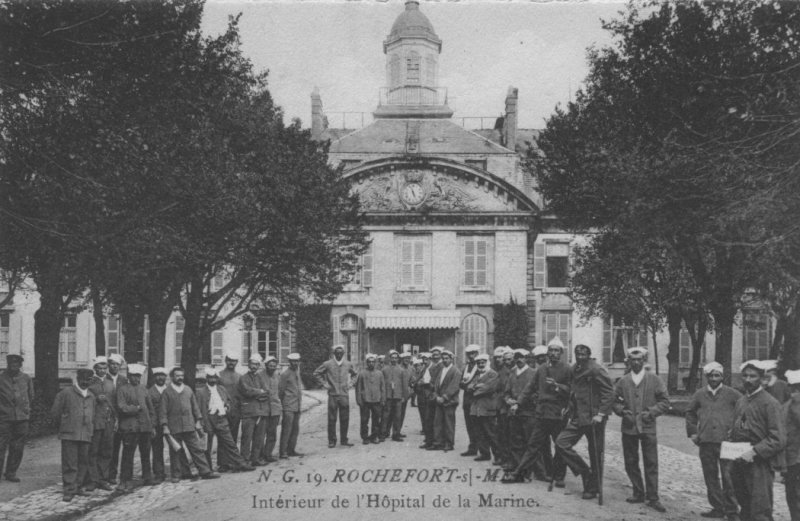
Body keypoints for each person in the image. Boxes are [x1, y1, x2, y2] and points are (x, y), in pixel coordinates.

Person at [502, 338, 572, 485]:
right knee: (533, 445)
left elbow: (572, 391)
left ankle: (559, 477)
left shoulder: (567, 369)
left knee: (560, 446)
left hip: (558, 415)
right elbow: (529, 388)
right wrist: (518, 404)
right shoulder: (541, 369)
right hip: (541, 414)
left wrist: (559, 387)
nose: (553, 353)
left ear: (561, 353)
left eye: (556, 350)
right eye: (551, 350)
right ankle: (518, 473)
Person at [612, 347, 670, 512]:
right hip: (629, 427)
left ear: (644, 361)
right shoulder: (623, 381)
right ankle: (638, 491)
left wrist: (651, 412)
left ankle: (653, 497)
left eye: (639, 359)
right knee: (630, 461)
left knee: (651, 462)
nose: (636, 362)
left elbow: (665, 401)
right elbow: (614, 401)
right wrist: (623, 411)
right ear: (628, 362)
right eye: (633, 360)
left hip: (648, 427)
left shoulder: (655, 380)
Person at [729, 360, 785, 521]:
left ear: (761, 378)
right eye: (745, 376)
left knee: (760, 509)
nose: (747, 379)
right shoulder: (741, 401)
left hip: (759, 464)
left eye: (752, 376)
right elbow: (738, 426)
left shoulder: (770, 403)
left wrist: (755, 451)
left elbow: (778, 438)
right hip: (739, 461)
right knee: (744, 506)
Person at [555, 344, 614, 500]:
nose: (580, 356)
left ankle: (593, 487)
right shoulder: (575, 369)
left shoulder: (596, 369)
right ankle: (584, 471)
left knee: (595, 454)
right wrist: (568, 406)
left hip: (595, 419)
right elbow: (574, 391)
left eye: (583, 354)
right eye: (577, 354)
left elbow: (609, 392)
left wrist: (601, 413)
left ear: (589, 354)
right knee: (561, 443)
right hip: (578, 417)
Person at [685, 361, 742, 520]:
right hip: (706, 442)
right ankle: (717, 507)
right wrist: (693, 433)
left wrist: (738, 432)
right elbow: (690, 413)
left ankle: (732, 511)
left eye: (717, 375)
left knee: (729, 477)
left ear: (722, 377)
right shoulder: (699, 394)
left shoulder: (733, 394)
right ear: (706, 377)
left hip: (728, 443)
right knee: (710, 476)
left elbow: (745, 411)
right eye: (711, 375)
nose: (714, 378)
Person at [159, 367, 220, 481]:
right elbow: (163, 411)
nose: (180, 378)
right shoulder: (167, 392)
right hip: (174, 426)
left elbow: (195, 407)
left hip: (189, 425)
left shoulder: (188, 390)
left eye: (181, 375)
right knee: (176, 451)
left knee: (196, 449)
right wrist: (165, 426)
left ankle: (205, 471)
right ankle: (178, 474)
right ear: (172, 377)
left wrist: (198, 420)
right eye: (177, 376)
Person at [195, 367, 253, 473]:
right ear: (207, 378)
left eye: (215, 378)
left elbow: (228, 401)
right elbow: (198, 408)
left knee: (230, 442)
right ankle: (207, 468)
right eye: (210, 378)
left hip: (221, 419)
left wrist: (226, 407)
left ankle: (240, 463)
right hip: (208, 420)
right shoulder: (201, 392)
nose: (212, 380)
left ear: (217, 378)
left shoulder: (221, 389)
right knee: (208, 445)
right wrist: (200, 422)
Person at [52, 369, 95, 502]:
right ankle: (69, 489)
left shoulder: (91, 395)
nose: (85, 382)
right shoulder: (66, 393)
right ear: (77, 378)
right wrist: (63, 426)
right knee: (70, 463)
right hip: (69, 433)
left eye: (88, 380)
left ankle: (78, 486)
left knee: (83, 462)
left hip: (85, 433)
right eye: (83, 379)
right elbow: (55, 413)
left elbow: (92, 414)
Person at [115, 363, 155, 492]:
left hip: (145, 427)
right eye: (133, 376)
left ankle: (147, 477)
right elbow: (121, 407)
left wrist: (152, 425)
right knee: (128, 455)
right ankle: (125, 480)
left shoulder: (144, 389)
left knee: (145, 453)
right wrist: (135, 408)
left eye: (138, 376)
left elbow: (150, 409)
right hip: (130, 427)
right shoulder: (122, 389)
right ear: (128, 376)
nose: (136, 379)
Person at [504, 348, 541, 477]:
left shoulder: (533, 373)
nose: (519, 359)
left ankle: (530, 469)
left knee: (529, 441)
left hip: (528, 412)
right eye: (517, 357)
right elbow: (507, 391)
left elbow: (535, 393)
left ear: (526, 358)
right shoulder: (512, 372)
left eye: (521, 357)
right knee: (515, 440)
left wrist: (520, 403)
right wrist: (508, 400)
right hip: (514, 412)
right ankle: (517, 467)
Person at [313, 344, 356, 448]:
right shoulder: (328, 364)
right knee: (332, 418)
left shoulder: (348, 364)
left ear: (344, 353)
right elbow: (316, 373)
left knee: (345, 418)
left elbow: (355, 374)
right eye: (337, 353)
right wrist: (324, 384)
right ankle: (332, 440)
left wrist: (350, 384)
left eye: (341, 353)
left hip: (344, 395)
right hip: (332, 395)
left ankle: (344, 440)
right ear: (334, 353)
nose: (339, 354)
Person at [0, 353, 33, 482]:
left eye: (16, 364)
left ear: (20, 365)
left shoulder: (26, 378)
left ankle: (11, 473)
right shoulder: (1, 379)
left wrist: (25, 411)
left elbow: (31, 396)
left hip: (21, 419)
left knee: (17, 447)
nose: (14, 366)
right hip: (3, 418)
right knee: (0, 446)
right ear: (7, 365)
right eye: (11, 364)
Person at [87, 356, 115, 491]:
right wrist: (96, 399)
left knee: (106, 450)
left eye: (105, 368)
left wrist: (116, 419)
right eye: (100, 368)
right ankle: (93, 480)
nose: (102, 370)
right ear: (95, 369)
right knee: (93, 451)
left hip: (109, 421)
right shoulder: (90, 382)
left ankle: (103, 479)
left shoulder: (110, 383)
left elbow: (114, 402)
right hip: (95, 421)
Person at [238, 354, 270, 466]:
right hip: (248, 411)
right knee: (247, 436)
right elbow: (246, 391)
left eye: (256, 364)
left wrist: (258, 392)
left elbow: (267, 392)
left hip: (260, 410)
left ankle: (255, 458)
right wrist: (259, 392)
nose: (254, 367)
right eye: (252, 364)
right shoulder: (243, 378)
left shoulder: (260, 378)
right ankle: (245, 460)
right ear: (248, 364)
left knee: (259, 436)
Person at [468, 353, 499, 462]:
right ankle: (484, 454)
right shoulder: (477, 374)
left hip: (487, 408)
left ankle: (498, 456)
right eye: (479, 363)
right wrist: (477, 387)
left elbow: (489, 388)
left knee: (491, 433)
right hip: (476, 409)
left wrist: (475, 388)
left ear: (487, 363)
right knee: (479, 433)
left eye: (483, 362)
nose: (481, 364)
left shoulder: (493, 374)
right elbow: (468, 387)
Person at [431, 350, 461, 452]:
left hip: (449, 401)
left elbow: (454, 387)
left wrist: (444, 397)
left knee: (449, 423)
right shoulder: (442, 370)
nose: (444, 360)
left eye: (446, 358)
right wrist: (436, 396)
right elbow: (436, 384)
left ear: (451, 358)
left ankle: (449, 443)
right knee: (438, 422)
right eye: (443, 358)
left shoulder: (455, 371)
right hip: (439, 400)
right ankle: (438, 442)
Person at [148, 367, 174, 484]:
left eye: (163, 375)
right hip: (156, 424)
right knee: (157, 449)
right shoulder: (150, 392)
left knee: (175, 446)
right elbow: (149, 410)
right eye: (158, 375)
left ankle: (176, 471)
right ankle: (159, 473)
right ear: (154, 377)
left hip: (171, 423)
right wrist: (152, 426)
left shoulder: (170, 390)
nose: (160, 378)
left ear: (166, 377)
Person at [105, 353, 127, 485]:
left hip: (121, 417)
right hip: (107, 416)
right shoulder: (104, 378)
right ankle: (104, 475)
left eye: (117, 365)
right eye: (112, 364)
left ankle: (113, 474)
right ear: (108, 366)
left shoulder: (123, 380)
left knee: (117, 446)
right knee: (107, 447)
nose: (114, 366)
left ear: (120, 367)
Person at [356, 354, 385, 444]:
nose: (371, 364)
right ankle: (365, 437)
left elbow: (382, 387)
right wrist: (359, 400)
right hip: (365, 400)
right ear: (367, 363)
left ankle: (374, 436)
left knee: (376, 419)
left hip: (376, 400)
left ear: (375, 363)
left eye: (373, 362)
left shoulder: (379, 373)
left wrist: (382, 399)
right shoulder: (362, 373)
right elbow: (358, 388)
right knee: (364, 420)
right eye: (369, 362)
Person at [278, 353, 303, 458]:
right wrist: (285, 403)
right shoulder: (285, 374)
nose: (295, 363)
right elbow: (281, 391)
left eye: (297, 361)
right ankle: (283, 452)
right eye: (293, 361)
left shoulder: (297, 372)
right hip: (288, 405)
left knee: (295, 429)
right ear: (289, 362)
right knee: (287, 429)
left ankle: (291, 450)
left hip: (297, 405)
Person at [258, 356, 282, 463]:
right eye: (270, 365)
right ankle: (259, 455)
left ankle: (268, 454)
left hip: (275, 409)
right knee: (260, 434)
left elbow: (280, 392)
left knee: (272, 433)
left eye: (274, 366)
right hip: (263, 409)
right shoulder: (259, 376)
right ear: (266, 365)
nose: (272, 368)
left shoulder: (277, 377)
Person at [419, 348, 443, 449]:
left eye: (437, 355)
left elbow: (437, 382)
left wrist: (427, 383)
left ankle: (436, 442)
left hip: (435, 395)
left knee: (435, 421)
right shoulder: (431, 367)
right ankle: (429, 441)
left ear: (440, 355)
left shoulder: (442, 366)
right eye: (433, 355)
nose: (435, 356)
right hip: (429, 396)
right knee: (428, 420)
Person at [784, 369, 800, 521]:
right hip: (791, 457)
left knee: (795, 494)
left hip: (796, 457)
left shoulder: (795, 404)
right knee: (792, 494)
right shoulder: (788, 404)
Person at [217, 349, 243, 446]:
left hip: (236, 410)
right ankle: (222, 460)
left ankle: (232, 459)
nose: (231, 363)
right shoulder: (219, 375)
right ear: (225, 361)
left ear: (236, 362)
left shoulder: (239, 377)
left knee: (234, 436)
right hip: (222, 410)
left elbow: (242, 394)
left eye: (233, 361)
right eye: (229, 360)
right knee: (223, 436)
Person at [381, 350, 408, 441]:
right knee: (385, 415)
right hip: (388, 396)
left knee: (397, 416)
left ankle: (396, 434)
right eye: (392, 357)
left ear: (398, 359)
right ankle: (383, 433)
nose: (394, 359)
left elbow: (404, 385)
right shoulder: (384, 369)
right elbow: (382, 384)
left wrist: (404, 396)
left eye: (396, 358)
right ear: (389, 358)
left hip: (398, 396)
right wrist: (383, 396)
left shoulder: (401, 370)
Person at [459, 344, 481, 457]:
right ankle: (472, 447)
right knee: (469, 425)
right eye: (469, 354)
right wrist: (463, 384)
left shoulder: (480, 366)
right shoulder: (466, 367)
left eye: (473, 353)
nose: (471, 356)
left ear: (477, 354)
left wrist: (469, 385)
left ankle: (480, 448)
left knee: (477, 425)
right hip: (467, 400)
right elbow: (461, 383)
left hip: (476, 400)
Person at [495, 347, 514, 467]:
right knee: (503, 433)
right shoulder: (502, 371)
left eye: (509, 359)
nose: (508, 361)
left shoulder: (512, 371)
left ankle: (508, 459)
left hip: (508, 406)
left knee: (509, 434)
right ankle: (504, 457)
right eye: (505, 359)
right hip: (502, 406)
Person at [398, 351, 414, 435]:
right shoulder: (398, 367)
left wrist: (411, 386)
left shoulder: (411, 368)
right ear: (402, 359)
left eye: (408, 358)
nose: (407, 360)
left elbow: (412, 380)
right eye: (405, 358)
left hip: (405, 394)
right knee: (395, 413)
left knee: (402, 413)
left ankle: (398, 431)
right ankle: (387, 432)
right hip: (397, 394)